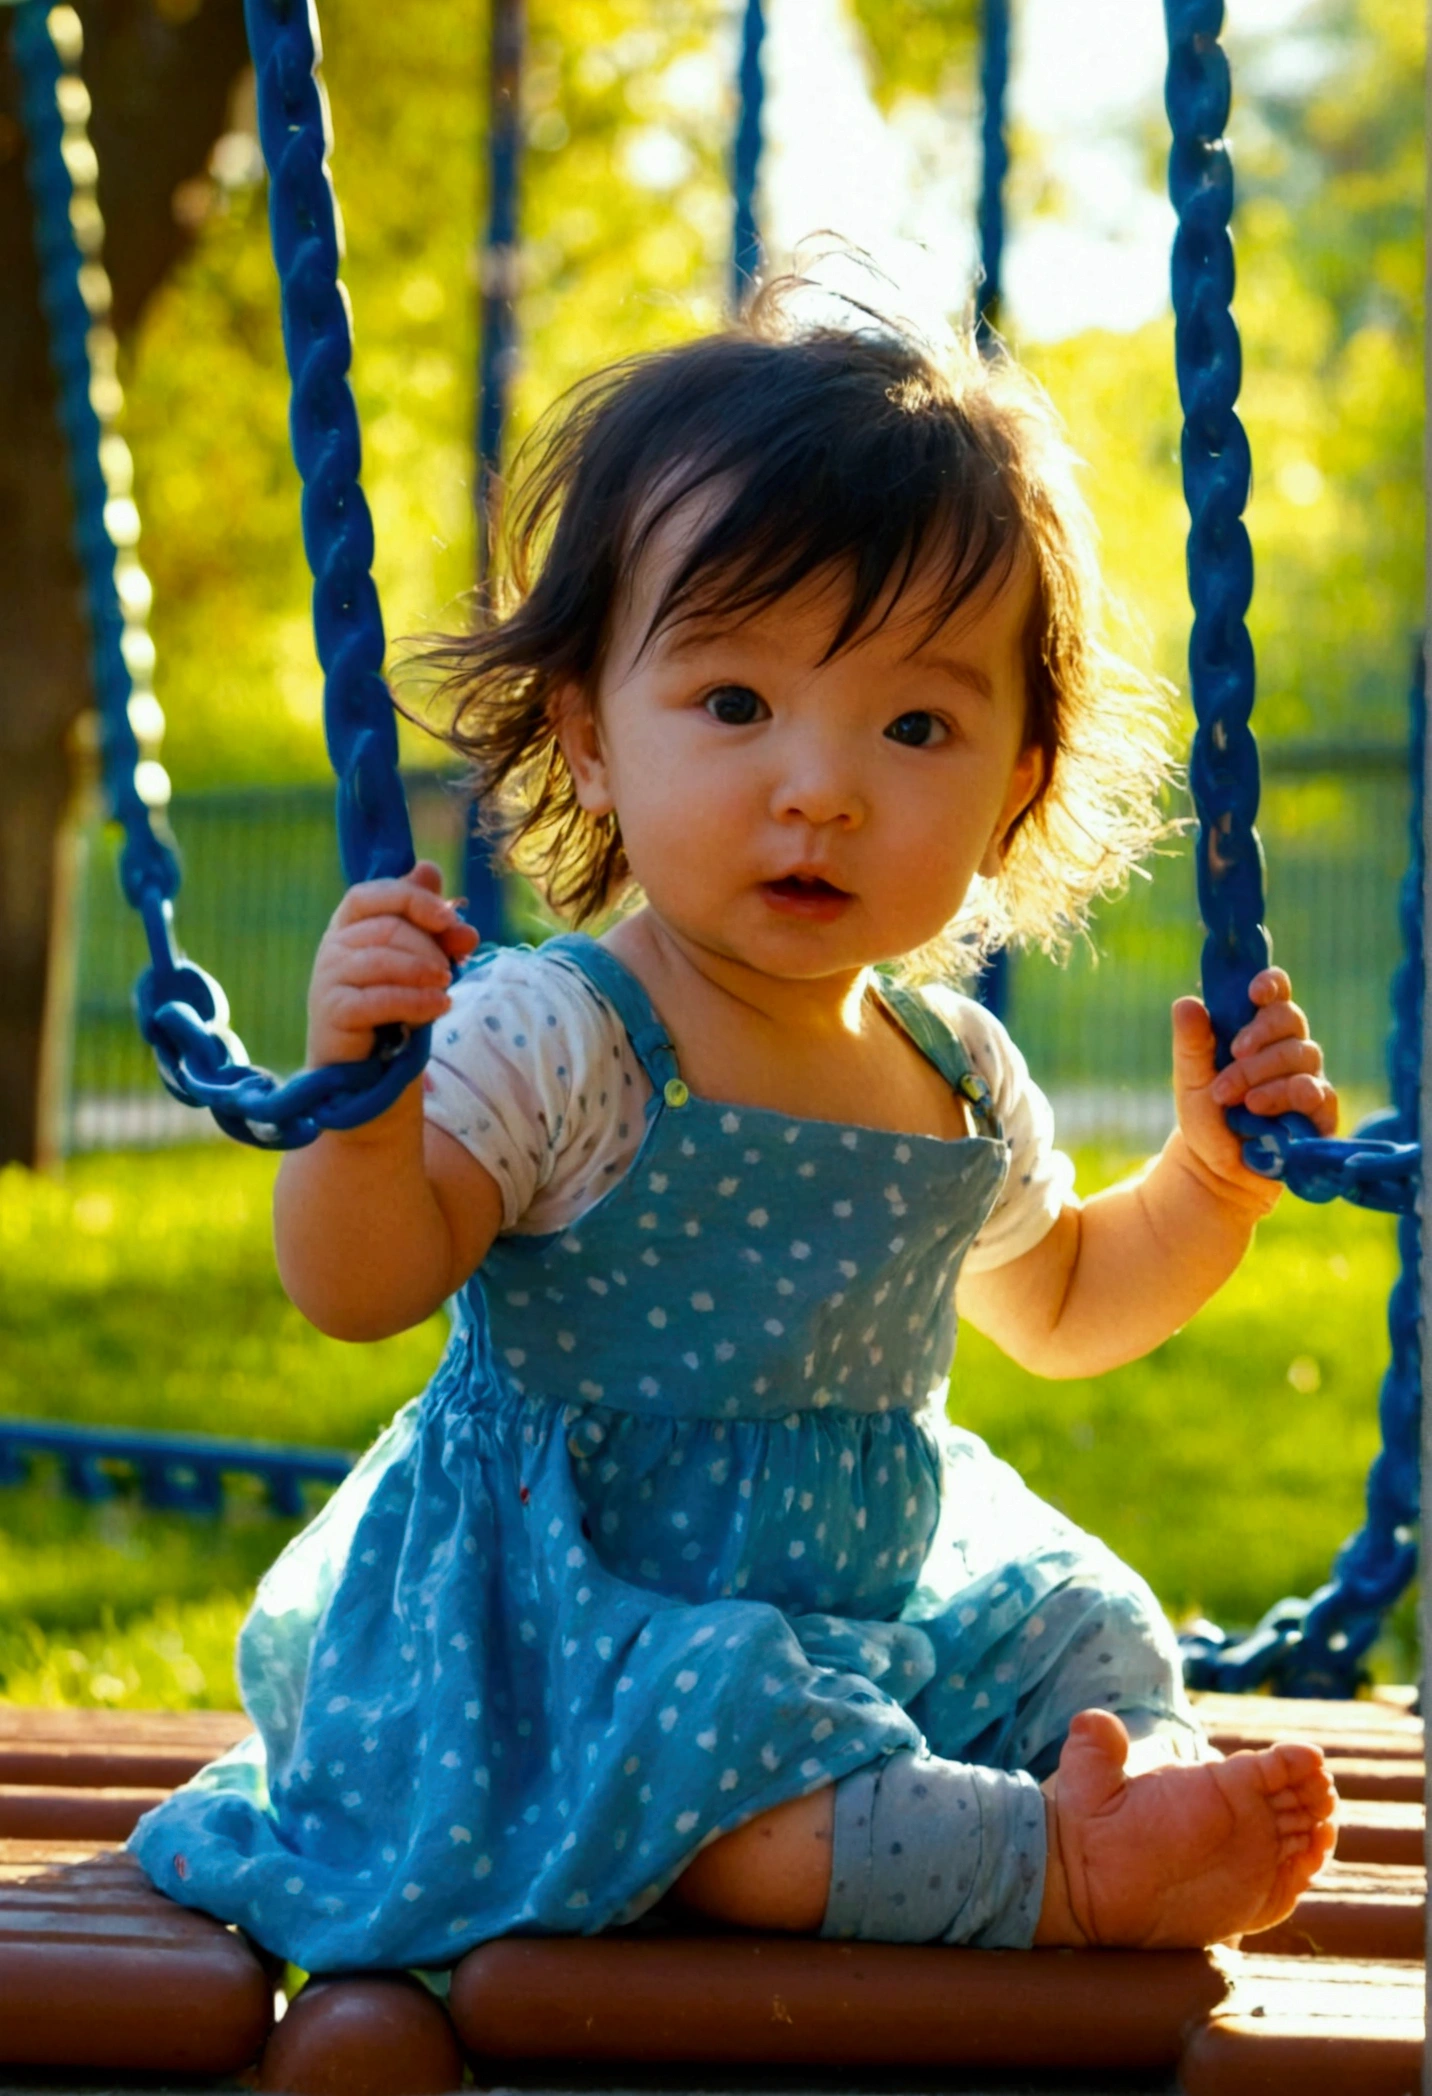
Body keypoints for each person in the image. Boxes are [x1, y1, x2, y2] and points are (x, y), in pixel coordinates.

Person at [132, 285, 1338, 1974]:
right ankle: (1053, 1872)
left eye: (915, 725)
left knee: (1084, 1613)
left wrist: (1206, 1188)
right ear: (590, 739)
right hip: (577, 1644)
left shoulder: (951, 1064)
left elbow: (1064, 1304)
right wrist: (364, 1106)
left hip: (857, 1607)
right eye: (734, 705)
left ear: (1014, 785)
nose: (821, 787)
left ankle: (1127, 1784)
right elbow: (363, 1280)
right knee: (728, 1767)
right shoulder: (561, 1032)